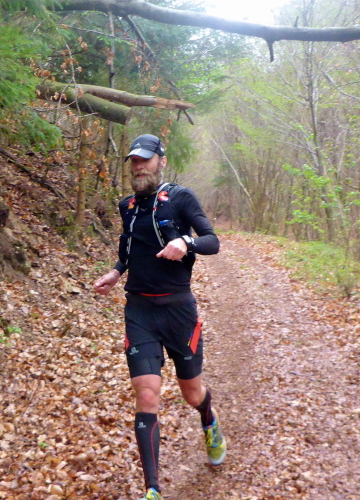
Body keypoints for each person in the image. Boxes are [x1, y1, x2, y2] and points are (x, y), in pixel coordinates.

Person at [94, 134, 225, 500]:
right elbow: (129, 246)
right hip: (140, 310)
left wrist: (186, 242)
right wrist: (117, 272)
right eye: (134, 161)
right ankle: (152, 490)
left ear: (161, 161)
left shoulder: (181, 199)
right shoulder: (127, 206)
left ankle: (209, 420)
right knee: (147, 395)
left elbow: (212, 241)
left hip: (178, 311)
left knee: (192, 394)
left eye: (145, 160)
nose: (139, 167)